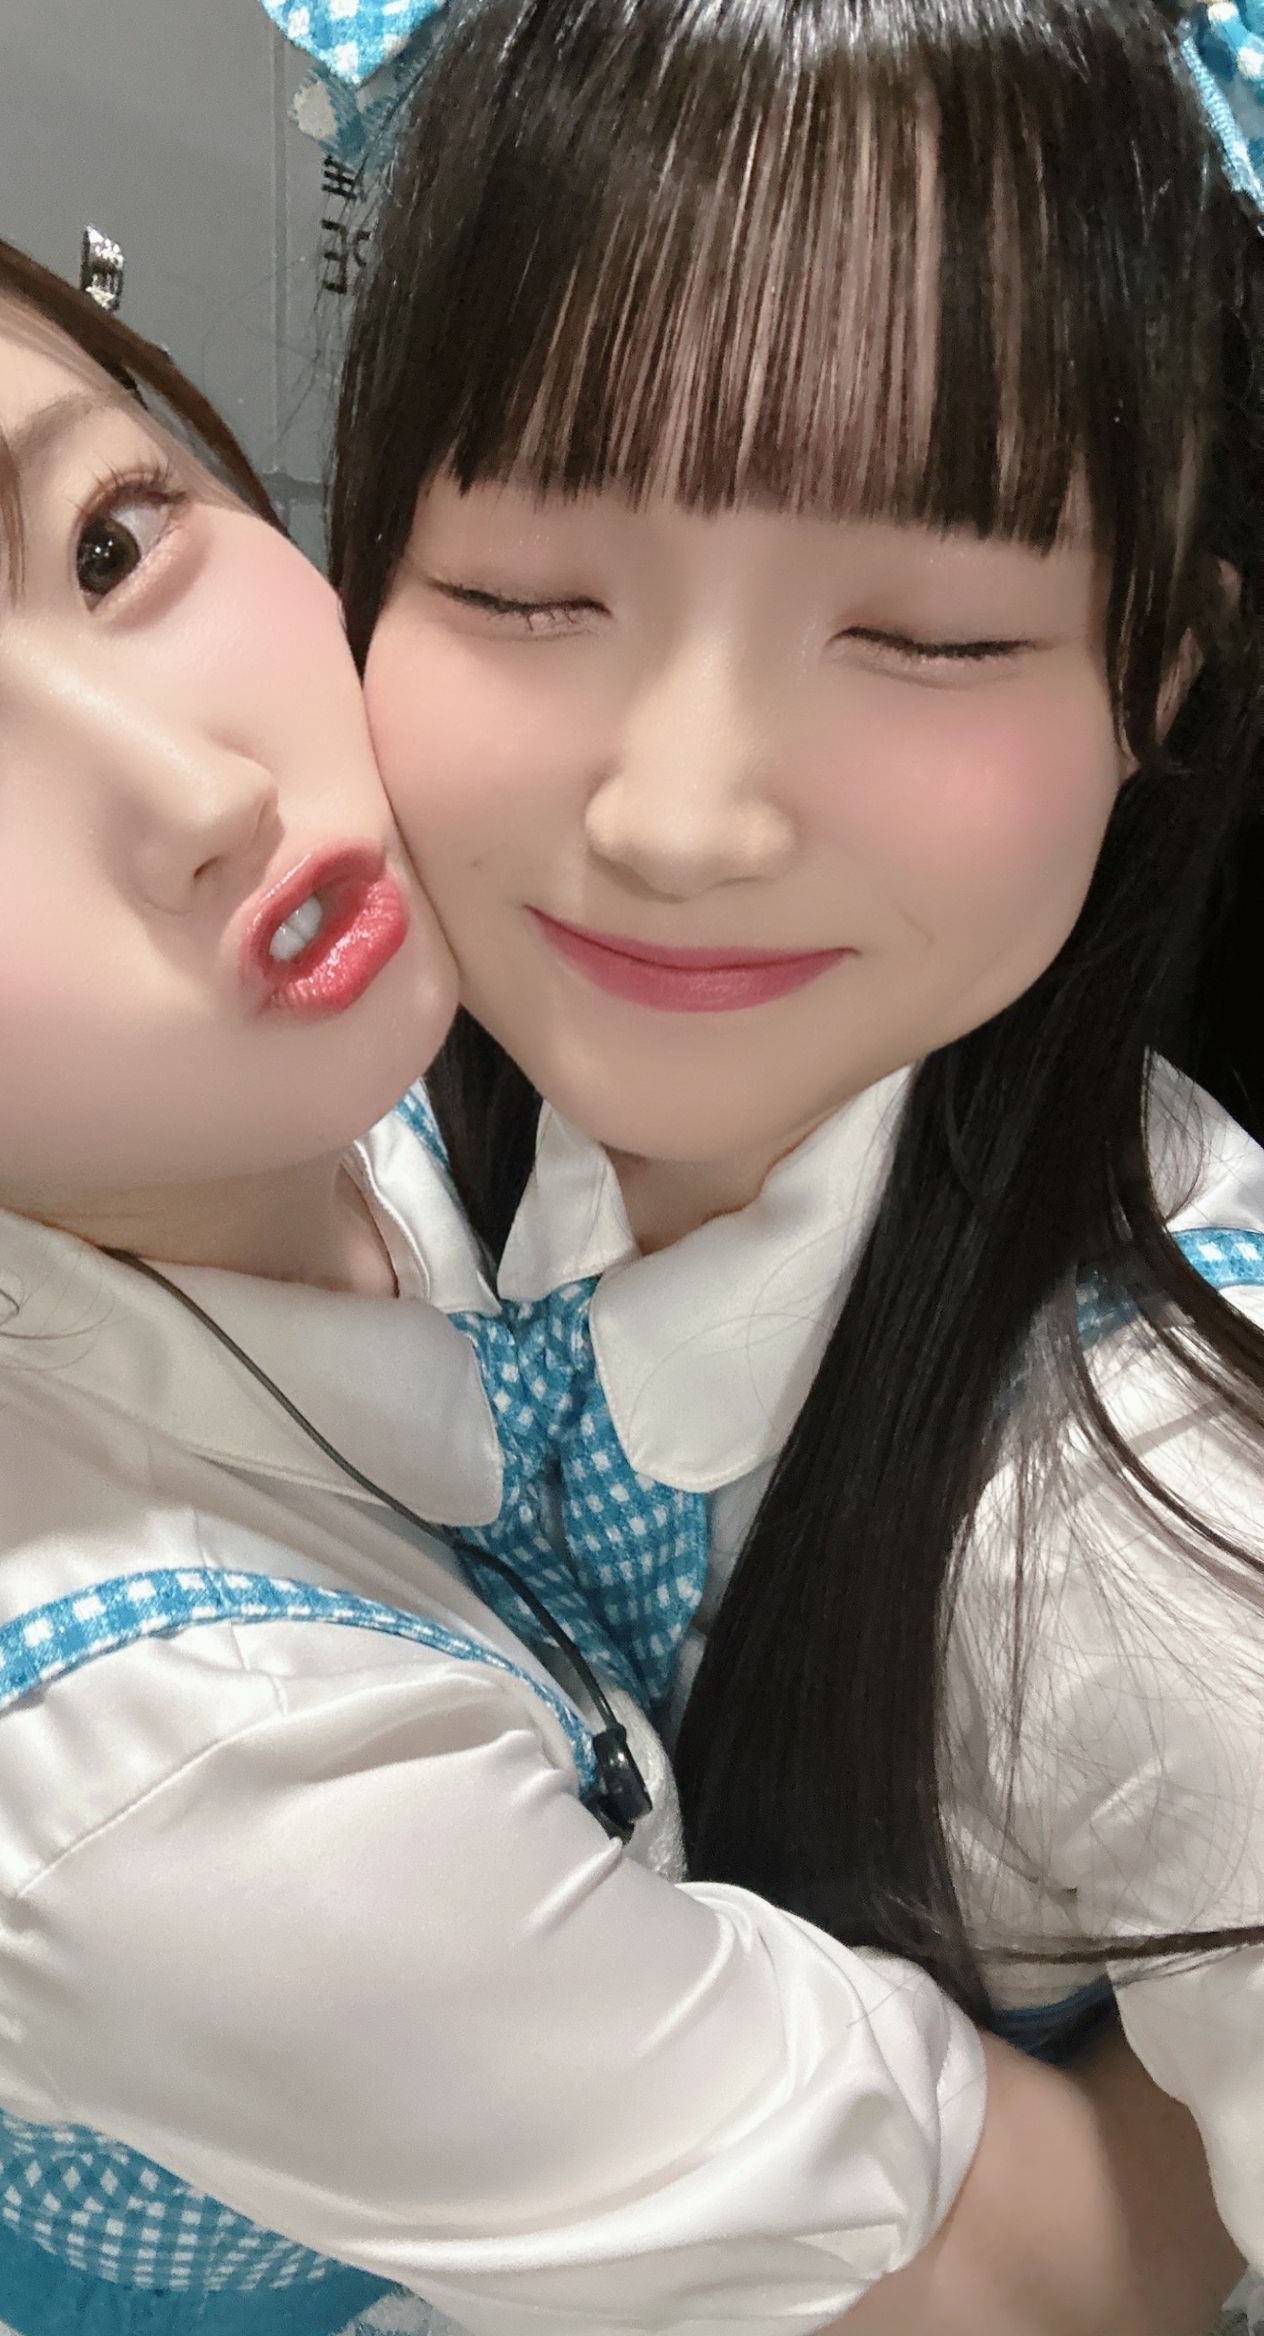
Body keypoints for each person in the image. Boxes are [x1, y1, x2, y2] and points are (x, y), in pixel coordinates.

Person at [0, 133, 1216, 2336]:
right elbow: (1030, 2276)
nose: (199, 789)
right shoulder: (165, 1769)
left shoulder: (291, 1086)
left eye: (111, 538)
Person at [332, 0, 1264, 2288]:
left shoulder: (1162, 1526)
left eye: (926, 635)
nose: (679, 815)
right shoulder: (334, 1112)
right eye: (524, 591)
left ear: (1158, 671)